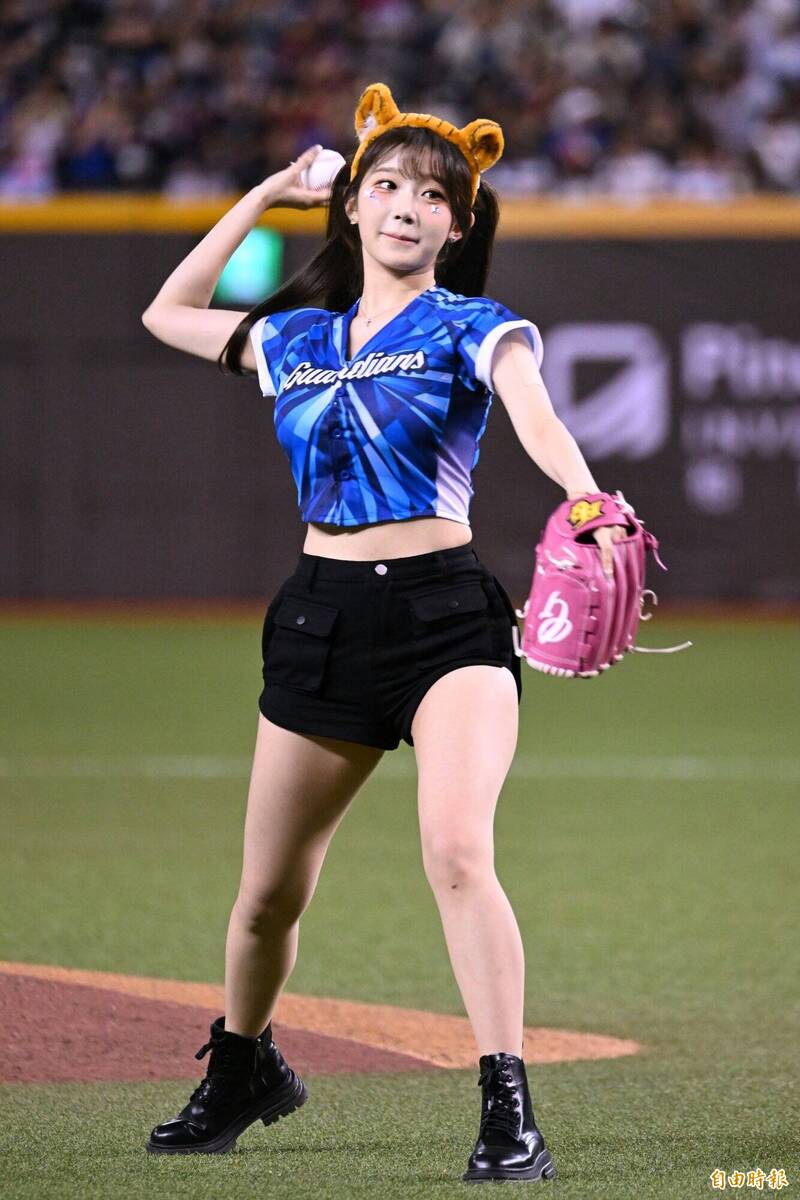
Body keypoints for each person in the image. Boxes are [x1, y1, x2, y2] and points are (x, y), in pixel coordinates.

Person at [140, 81, 624, 1182]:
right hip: (319, 618)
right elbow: (167, 311)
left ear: (458, 223)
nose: (409, 204)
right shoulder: (296, 339)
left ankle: (506, 1106)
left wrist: (587, 498)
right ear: (354, 205)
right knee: (267, 897)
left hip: (446, 618)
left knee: (456, 851)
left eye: (434, 194)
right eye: (390, 185)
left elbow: (537, 414)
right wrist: (267, 191)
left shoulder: (474, 327)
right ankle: (243, 1068)